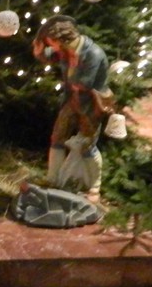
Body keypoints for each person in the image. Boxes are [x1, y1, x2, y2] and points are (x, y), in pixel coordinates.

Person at [32, 15, 112, 201]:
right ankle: (53, 179)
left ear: (62, 40)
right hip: (71, 100)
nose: (52, 46)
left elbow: (84, 83)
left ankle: (94, 187)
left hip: (91, 105)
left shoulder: (93, 54)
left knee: (87, 145)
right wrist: (40, 52)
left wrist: (72, 61)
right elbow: (49, 56)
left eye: (52, 43)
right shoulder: (65, 50)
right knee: (57, 137)